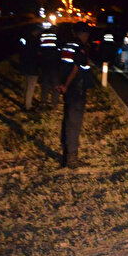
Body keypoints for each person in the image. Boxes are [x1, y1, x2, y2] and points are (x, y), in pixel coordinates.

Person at [57, 23, 94, 168]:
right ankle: (71, 158)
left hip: (69, 90)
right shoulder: (79, 47)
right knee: (74, 122)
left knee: (68, 120)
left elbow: (61, 65)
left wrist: (61, 83)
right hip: (76, 89)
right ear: (84, 34)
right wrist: (66, 84)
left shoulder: (67, 46)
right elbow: (75, 68)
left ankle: (67, 154)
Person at [37, 23, 61, 107]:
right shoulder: (56, 37)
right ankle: (54, 103)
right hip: (54, 63)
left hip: (44, 62)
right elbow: (59, 48)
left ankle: (43, 101)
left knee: (45, 83)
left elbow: (39, 49)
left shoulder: (42, 36)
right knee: (55, 83)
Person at [17, 29, 41, 110]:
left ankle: (25, 102)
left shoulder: (25, 40)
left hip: (25, 66)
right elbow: (37, 55)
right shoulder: (35, 42)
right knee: (30, 87)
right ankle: (28, 106)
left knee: (26, 86)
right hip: (33, 68)